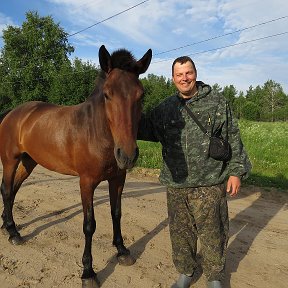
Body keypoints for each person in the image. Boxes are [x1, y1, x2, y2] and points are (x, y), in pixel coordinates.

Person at [137, 56, 252, 288]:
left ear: (196, 74)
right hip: (177, 184)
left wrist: (236, 172)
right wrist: (125, 104)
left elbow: (232, 137)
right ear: (173, 79)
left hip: (210, 182)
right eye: (179, 75)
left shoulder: (217, 102)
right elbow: (145, 129)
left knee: (214, 233)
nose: (184, 78)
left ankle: (214, 277)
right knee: (181, 234)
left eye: (188, 73)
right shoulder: (165, 108)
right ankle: (185, 273)